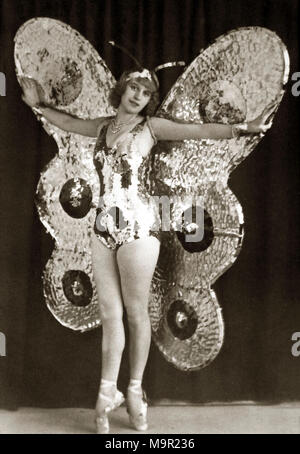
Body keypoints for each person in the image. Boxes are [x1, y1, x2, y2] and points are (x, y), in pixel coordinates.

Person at [20, 69, 275, 433]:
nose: (138, 95)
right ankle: (108, 391)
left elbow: (198, 131)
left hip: (139, 226)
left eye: (145, 92)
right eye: (134, 88)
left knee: (136, 313)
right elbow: (69, 122)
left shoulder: (151, 127)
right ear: (122, 90)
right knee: (110, 314)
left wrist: (244, 128)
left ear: (149, 99)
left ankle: (135, 390)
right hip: (102, 228)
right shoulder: (104, 126)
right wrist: (39, 106)